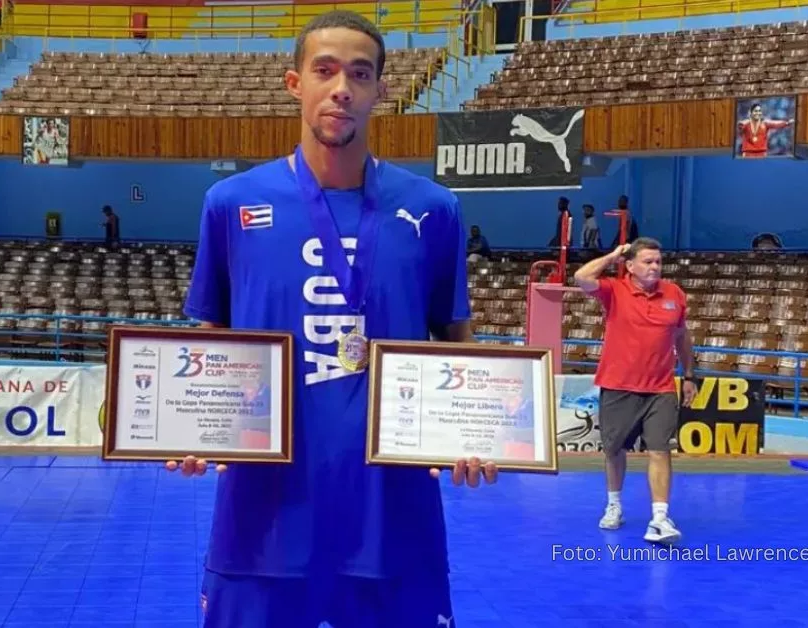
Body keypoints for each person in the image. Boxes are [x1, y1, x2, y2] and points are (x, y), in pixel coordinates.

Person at [173, 10, 497, 627]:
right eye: (325, 70)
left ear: (380, 89)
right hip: (263, 523)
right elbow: (210, 334)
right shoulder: (232, 203)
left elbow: (456, 339)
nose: (341, 87)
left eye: (360, 73)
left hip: (393, 521)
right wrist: (194, 425)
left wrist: (472, 436)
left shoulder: (434, 209)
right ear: (295, 82)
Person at [573, 238, 696, 545]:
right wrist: (613, 254)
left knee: (660, 449)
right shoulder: (614, 290)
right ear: (630, 266)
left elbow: (681, 337)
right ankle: (614, 504)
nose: (654, 266)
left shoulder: (674, 295)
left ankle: (659, 517)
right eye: (647, 261)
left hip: (661, 388)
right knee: (615, 450)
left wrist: (691, 374)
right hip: (618, 385)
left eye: (658, 261)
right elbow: (581, 278)